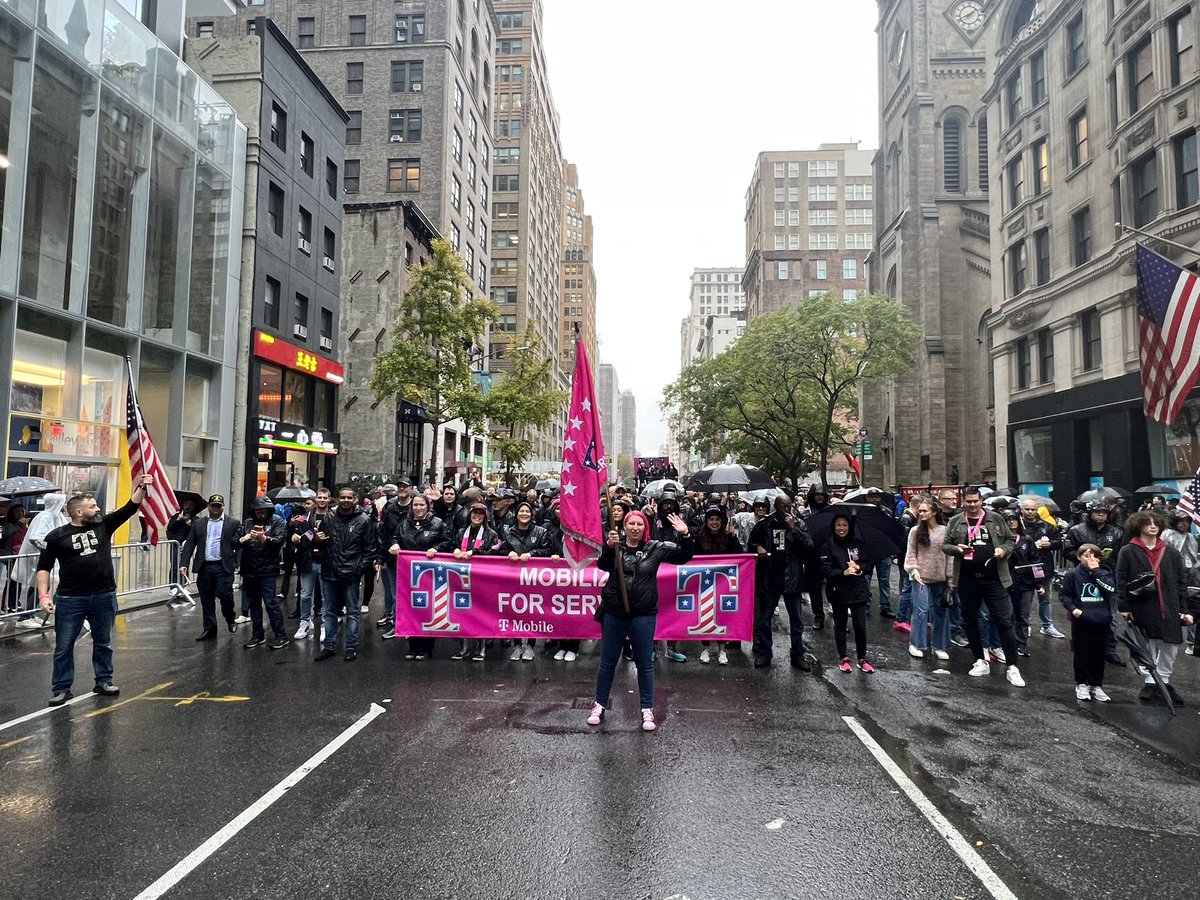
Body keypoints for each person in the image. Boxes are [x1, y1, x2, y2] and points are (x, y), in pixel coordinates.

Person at [36, 474, 152, 706]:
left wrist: (142, 486)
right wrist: (44, 596)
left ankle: (104, 680)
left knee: (103, 642)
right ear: (79, 512)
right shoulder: (57, 537)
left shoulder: (103, 525)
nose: (97, 508)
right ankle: (61, 689)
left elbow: (130, 508)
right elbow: (43, 568)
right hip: (70, 599)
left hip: (103, 595)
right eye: (92, 506)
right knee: (64, 646)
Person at [588, 509, 693, 732]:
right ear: (624, 527)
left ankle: (647, 708)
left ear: (645, 528)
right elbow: (603, 565)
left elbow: (684, 556)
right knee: (608, 662)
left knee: (644, 663)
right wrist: (608, 546)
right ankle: (599, 704)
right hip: (614, 613)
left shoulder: (654, 548)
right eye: (631, 524)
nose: (635, 528)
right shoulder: (615, 545)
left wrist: (685, 535)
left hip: (643, 615)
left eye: (640, 524)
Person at [941, 487, 1025, 687]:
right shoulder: (955, 521)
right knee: (970, 621)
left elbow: (1010, 540)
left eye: (975, 501)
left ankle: (1013, 667)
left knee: (1003, 621)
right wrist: (957, 549)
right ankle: (980, 659)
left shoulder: (995, 518)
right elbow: (945, 545)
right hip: (967, 579)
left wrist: (1003, 550)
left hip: (995, 579)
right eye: (968, 501)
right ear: (964, 502)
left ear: (980, 501)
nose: (972, 505)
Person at [1115, 510, 1196, 705]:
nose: (1152, 526)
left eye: (1155, 523)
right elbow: (1121, 579)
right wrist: (1123, 606)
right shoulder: (1128, 551)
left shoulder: (1170, 552)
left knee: (1171, 644)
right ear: (1139, 526)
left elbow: (1180, 582)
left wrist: (1183, 608)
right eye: (1147, 523)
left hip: (1168, 604)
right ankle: (1151, 682)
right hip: (1142, 605)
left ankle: (1164, 679)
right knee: (1147, 643)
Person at [749, 495, 813, 670]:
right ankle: (765, 652)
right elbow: (751, 544)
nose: (786, 509)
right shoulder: (764, 524)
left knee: (796, 620)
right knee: (764, 619)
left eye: (789, 505)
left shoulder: (798, 523)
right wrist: (757, 547)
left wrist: (794, 530)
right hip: (770, 578)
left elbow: (809, 546)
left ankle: (798, 654)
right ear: (775, 506)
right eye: (782, 506)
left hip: (792, 578)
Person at [314, 486, 375, 663]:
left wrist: (358, 569)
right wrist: (316, 541)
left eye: (349, 498)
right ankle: (329, 646)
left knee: (353, 612)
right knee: (330, 611)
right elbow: (319, 543)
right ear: (338, 499)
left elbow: (370, 549)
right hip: (330, 572)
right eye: (343, 498)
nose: (346, 500)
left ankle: (351, 646)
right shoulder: (329, 517)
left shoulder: (363, 519)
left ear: (354, 499)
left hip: (351, 574)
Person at [387, 492, 450, 657]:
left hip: (430, 575)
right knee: (411, 609)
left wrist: (436, 549)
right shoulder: (404, 524)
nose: (418, 508)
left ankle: (426, 647)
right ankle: (413, 646)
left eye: (422, 505)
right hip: (409, 576)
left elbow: (447, 541)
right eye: (415, 505)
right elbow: (394, 538)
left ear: (428, 506)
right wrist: (394, 545)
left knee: (428, 610)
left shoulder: (438, 524)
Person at [179, 494, 242, 641]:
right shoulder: (199, 523)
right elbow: (190, 544)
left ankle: (230, 618)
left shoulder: (232, 523)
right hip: (205, 566)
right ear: (208, 507)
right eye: (213, 505)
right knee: (206, 599)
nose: (215, 508)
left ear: (223, 507)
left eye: (218, 506)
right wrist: (184, 564)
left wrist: (237, 562)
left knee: (225, 595)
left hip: (223, 566)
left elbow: (239, 544)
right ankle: (209, 629)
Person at [1059, 544, 1116, 702]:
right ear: (1079, 557)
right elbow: (1065, 595)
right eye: (1086, 556)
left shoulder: (1105, 573)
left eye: (1094, 556)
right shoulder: (1072, 574)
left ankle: (1096, 685)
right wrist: (1074, 609)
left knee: (1099, 653)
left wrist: (1096, 571)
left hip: (1102, 619)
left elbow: (1110, 590)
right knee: (1081, 651)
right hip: (1082, 618)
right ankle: (1082, 683)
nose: (1090, 559)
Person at [820, 511, 875, 673]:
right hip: (838, 591)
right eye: (838, 525)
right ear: (833, 527)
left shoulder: (858, 543)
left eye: (845, 525)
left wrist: (859, 568)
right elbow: (826, 570)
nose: (841, 528)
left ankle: (862, 658)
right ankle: (843, 657)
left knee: (860, 626)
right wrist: (843, 572)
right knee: (841, 625)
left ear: (850, 527)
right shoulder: (827, 545)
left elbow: (868, 564)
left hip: (858, 590)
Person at [500, 499, 552, 660]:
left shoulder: (540, 531)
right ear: (516, 515)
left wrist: (532, 554)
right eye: (521, 511)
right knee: (515, 611)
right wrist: (508, 554)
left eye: (527, 512)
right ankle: (516, 645)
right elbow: (499, 550)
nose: (524, 514)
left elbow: (547, 550)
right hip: (513, 578)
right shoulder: (508, 532)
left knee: (533, 611)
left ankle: (530, 644)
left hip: (534, 578)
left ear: (531, 514)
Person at [450, 502, 501, 661]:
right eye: (474, 513)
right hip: (462, 577)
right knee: (462, 611)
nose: (477, 516)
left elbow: (492, 553)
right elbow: (452, 546)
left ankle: (481, 647)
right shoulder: (460, 532)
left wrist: (475, 552)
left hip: (482, 578)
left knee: (482, 612)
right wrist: (456, 550)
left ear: (485, 516)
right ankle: (463, 647)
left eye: (480, 514)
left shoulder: (491, 533)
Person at [903, 497, 952, 661]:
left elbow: (950, 556)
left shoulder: (945, 531)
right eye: (921, 510)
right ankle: (916, 644)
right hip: (920, 578)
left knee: (941, 612)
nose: (922, 513)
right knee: (920, 612)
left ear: (934, 512)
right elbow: (910, 553)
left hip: (941, 578)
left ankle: (939, 646)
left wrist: (950, 577)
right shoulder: (915, 531)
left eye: (925, 510)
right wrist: (913, 569)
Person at [237, 496, 289, 650]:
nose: (261, 513)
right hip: (249, 570)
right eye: (258, 510)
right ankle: (257, 634)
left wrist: (264, 538)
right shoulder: (247, 523)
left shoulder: (277, 521)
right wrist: (243, 539)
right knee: (254, 604)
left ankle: (281, 635)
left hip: (267, 570)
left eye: (263, 510)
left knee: (271, 603)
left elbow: (279, 540)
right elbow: (234, 541)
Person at [695, 505, 744, 666]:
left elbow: (739, 556)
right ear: (706, 521)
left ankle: (722, 650)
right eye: (711, 519)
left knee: (722, 615)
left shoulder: (729, 537)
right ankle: (706, 648)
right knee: (706, 615)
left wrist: (734, 537)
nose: (714, 522)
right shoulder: (700, 538)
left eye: (717, 519)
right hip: (705, 583)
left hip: (724, 584)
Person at [13, 493, 69, 628]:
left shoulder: (56, 516)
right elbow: (35, 538)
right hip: (38, 558)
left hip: (46, 558)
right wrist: (47, 549)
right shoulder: (45, 516)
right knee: (41, 585)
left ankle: (30, 613)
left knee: (40, 585)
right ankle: (25, 616)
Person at [291, 490, 329, 640]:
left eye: (324, 497)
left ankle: (326, 625)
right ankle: (305, 622)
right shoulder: (305, 517)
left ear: (328, 499)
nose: (321, 500)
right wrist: (293, 537)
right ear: (315, 499)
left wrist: (324, 539)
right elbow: (295, 535)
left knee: (326, 597)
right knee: (305, 594)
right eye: (319, 497)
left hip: (326, 561)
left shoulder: (333, 516)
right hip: (307, 560)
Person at [861, 488, 895, 619]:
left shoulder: (886, 511)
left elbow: (890, 530)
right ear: (867, 498)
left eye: (876, 497)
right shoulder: (862, 512)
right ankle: (866, 605)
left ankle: (885, 606)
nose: (874, 499)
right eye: (871, 497)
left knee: (884, 581)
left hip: (884, 550)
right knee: (866, 580)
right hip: (868, 551)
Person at [165, 498, 197, 605]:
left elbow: (197, 532)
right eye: (186, 504)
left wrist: (190, 525)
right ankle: (173, 586)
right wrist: (178, 519)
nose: (188, 507)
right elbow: (169, 528)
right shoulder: (176, 516)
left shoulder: (195, 519)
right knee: (174, 565)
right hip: (175, 544)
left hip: (187, 546)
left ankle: (183, 586)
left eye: (190, 504)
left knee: (184, 565)